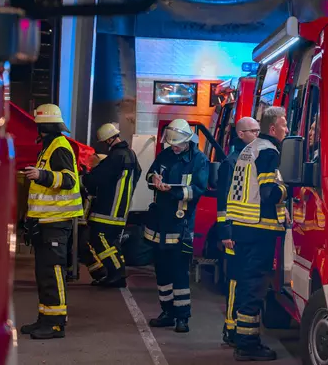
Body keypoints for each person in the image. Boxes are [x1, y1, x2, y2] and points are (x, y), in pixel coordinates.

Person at [227, 106, 289, 361]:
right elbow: (268, 192)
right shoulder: (269, 152)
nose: (288, 130)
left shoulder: (249, 149)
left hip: (242, 225)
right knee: (254, 287)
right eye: (284, 125)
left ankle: (241, 337)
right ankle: (248, 345)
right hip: (259, 227)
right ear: (273, 128)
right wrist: (288, 189)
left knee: (244, 283)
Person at [20, 104, 83, 340]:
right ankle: (45, 319)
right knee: (45, 275)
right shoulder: (49, 147)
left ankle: (56, 325)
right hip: (47, 222)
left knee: (53, 274)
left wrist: (41, 175)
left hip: (56, 222)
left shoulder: (59, 147)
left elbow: (68, 180)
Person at [144, 119, 209, 333]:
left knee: (179, 272)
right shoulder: (165, 155)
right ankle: (167, 312)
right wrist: (154, 178)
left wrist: (170, 191)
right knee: (162, 271)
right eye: (171, 144)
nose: (174, 147)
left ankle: (182, 317)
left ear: (187, 141)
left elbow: (197, 190)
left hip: (180, 223)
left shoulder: (198, 160)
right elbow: (150, 174)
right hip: (159, 223)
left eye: (177, 144)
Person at [215, 116, 260, 347]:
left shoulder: (253, 158)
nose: (257, 135)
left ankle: (238, 326)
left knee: (246, 279)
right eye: (253, 131)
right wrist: (226, 232)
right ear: (241, 134)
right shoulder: (231, 163)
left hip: (249, 232)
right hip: (235, 233)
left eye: (259, 130)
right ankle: (230, 327)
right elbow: (223, 202)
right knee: (235, 279)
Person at [82, 123, 142, 287]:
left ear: (109, 140)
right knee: (112, 242)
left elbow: (97, 178)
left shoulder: (116, 156)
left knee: (99, 239)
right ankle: (116, 273)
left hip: (107, 209)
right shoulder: (130, 154)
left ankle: (117, 274)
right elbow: (138, 173)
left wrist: (84, 178)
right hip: (121, 209)